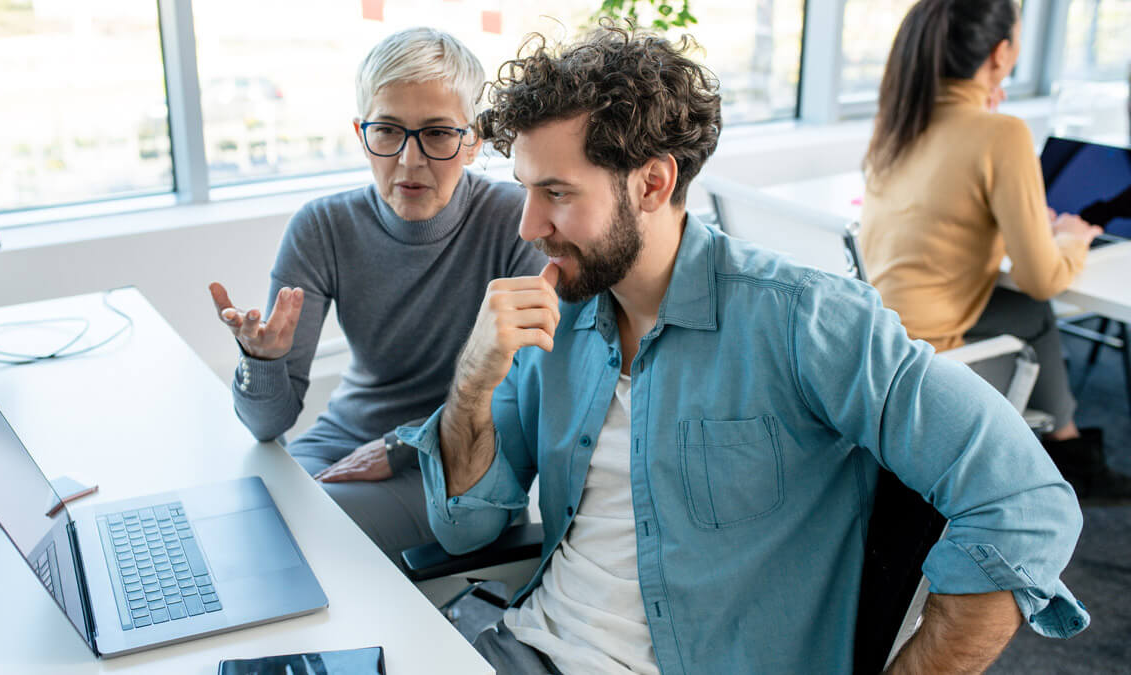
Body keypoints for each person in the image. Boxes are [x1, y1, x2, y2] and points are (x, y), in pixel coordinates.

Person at [396, 25, 1088, 674]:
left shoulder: (802, 320)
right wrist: (472, 382)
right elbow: (466, 528)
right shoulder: (556, 317)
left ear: (653, 183)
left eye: (556, 193)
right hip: (520, 646)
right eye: (525, 189)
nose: (529, 223)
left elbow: (1024, 501)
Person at [208, 28, 544, 565]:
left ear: (474, 138)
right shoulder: (322, 226)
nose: (409, 161)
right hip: (347, 434)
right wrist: (262, 361)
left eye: (436, 134)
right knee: (236, 511)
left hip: (459, 460)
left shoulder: (515, 221)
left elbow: (523, 406)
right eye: (387, 131)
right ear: (362, 132)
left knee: (293, 532)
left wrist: (402, 445)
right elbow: (267, 423)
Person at [858, 0, 1131, 501]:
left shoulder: (898, 120)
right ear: (1001, 53)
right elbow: (1043, 277)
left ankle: (1067, 447)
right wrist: (1072, 236)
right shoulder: (1000, 134)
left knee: (1025, 309)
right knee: (1036, 303)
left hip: (878, 336)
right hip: (931, 353)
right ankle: (1070, 458)